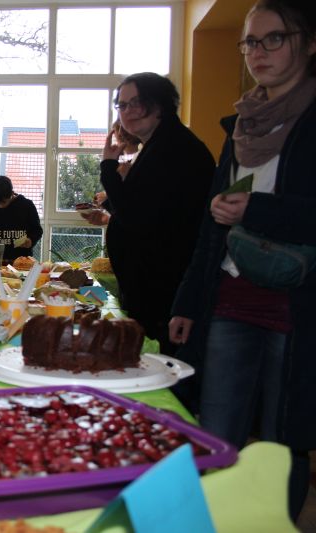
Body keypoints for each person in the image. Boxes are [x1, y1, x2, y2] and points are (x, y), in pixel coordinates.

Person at [169, 0, 316, 521]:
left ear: (309, 43)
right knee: (217, 430)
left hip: (298, 305)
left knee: (282, 441)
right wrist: (188, 301)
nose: (258, 52)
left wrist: (258, 209)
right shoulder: (241, 127)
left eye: (274, 38)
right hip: (230, 296)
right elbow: (212, 228)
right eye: (251, 42)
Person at [99, 72, 215, 357]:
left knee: (168, 367)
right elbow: (141, 208)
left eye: (137, 102)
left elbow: (136, 216)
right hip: (156, 288)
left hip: (166, 289)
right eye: (122, 105)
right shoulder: (158, 146)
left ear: (161, 103)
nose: (129, 111)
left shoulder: (173, 148)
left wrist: (108, 168)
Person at [80, 120, 142, 227]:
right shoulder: (141, 155)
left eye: (117, 138)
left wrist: (109, 166)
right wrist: (107, 218)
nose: (117, 143)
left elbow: (135, 213)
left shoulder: (143, 160)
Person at [0, 176, 43, 264]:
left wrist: (31, 240)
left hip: (22, 262)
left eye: (3, 202)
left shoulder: (27, 205)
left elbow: (37, 230)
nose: (0, 206)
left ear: (11, 193)